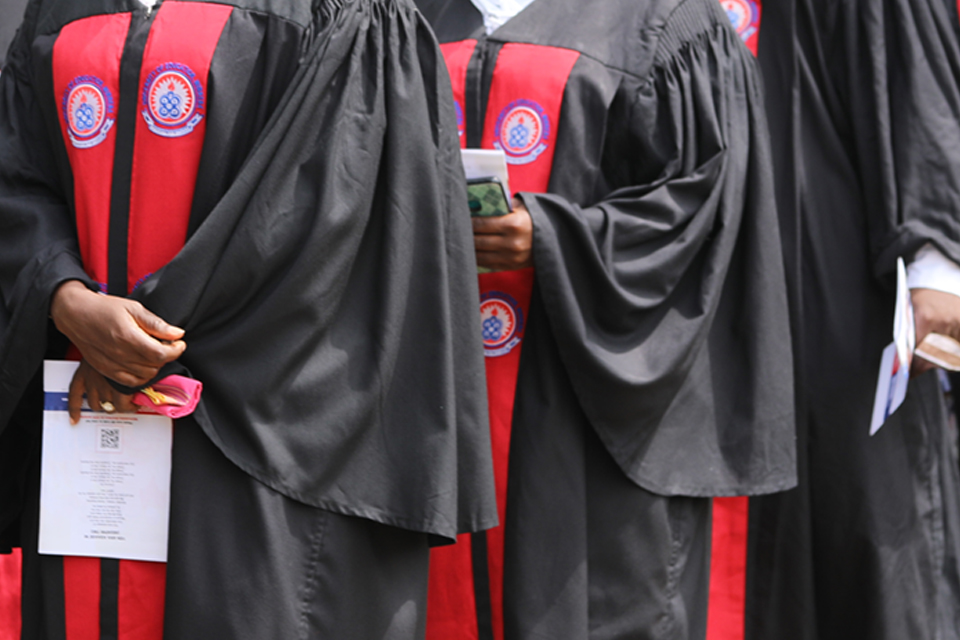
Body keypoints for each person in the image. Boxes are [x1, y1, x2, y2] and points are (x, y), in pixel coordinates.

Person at [0, 0, 497, 637]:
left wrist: (131, 346)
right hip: (88, 419)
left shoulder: (345, 14)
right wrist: (65, 300)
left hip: (261, 421)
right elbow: (17, 170)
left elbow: (324, 213)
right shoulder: (58, 8)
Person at [416, 0, 796, 638]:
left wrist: (554, 236)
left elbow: (703, 211)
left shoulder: (666, 21)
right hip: (434, 405)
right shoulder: (411, 17)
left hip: (589, 411)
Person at [745, 1, 960, 639]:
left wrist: (936, 261)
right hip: (716, 295)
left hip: (837, 274)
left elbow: (908, 68)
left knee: (865, 515)